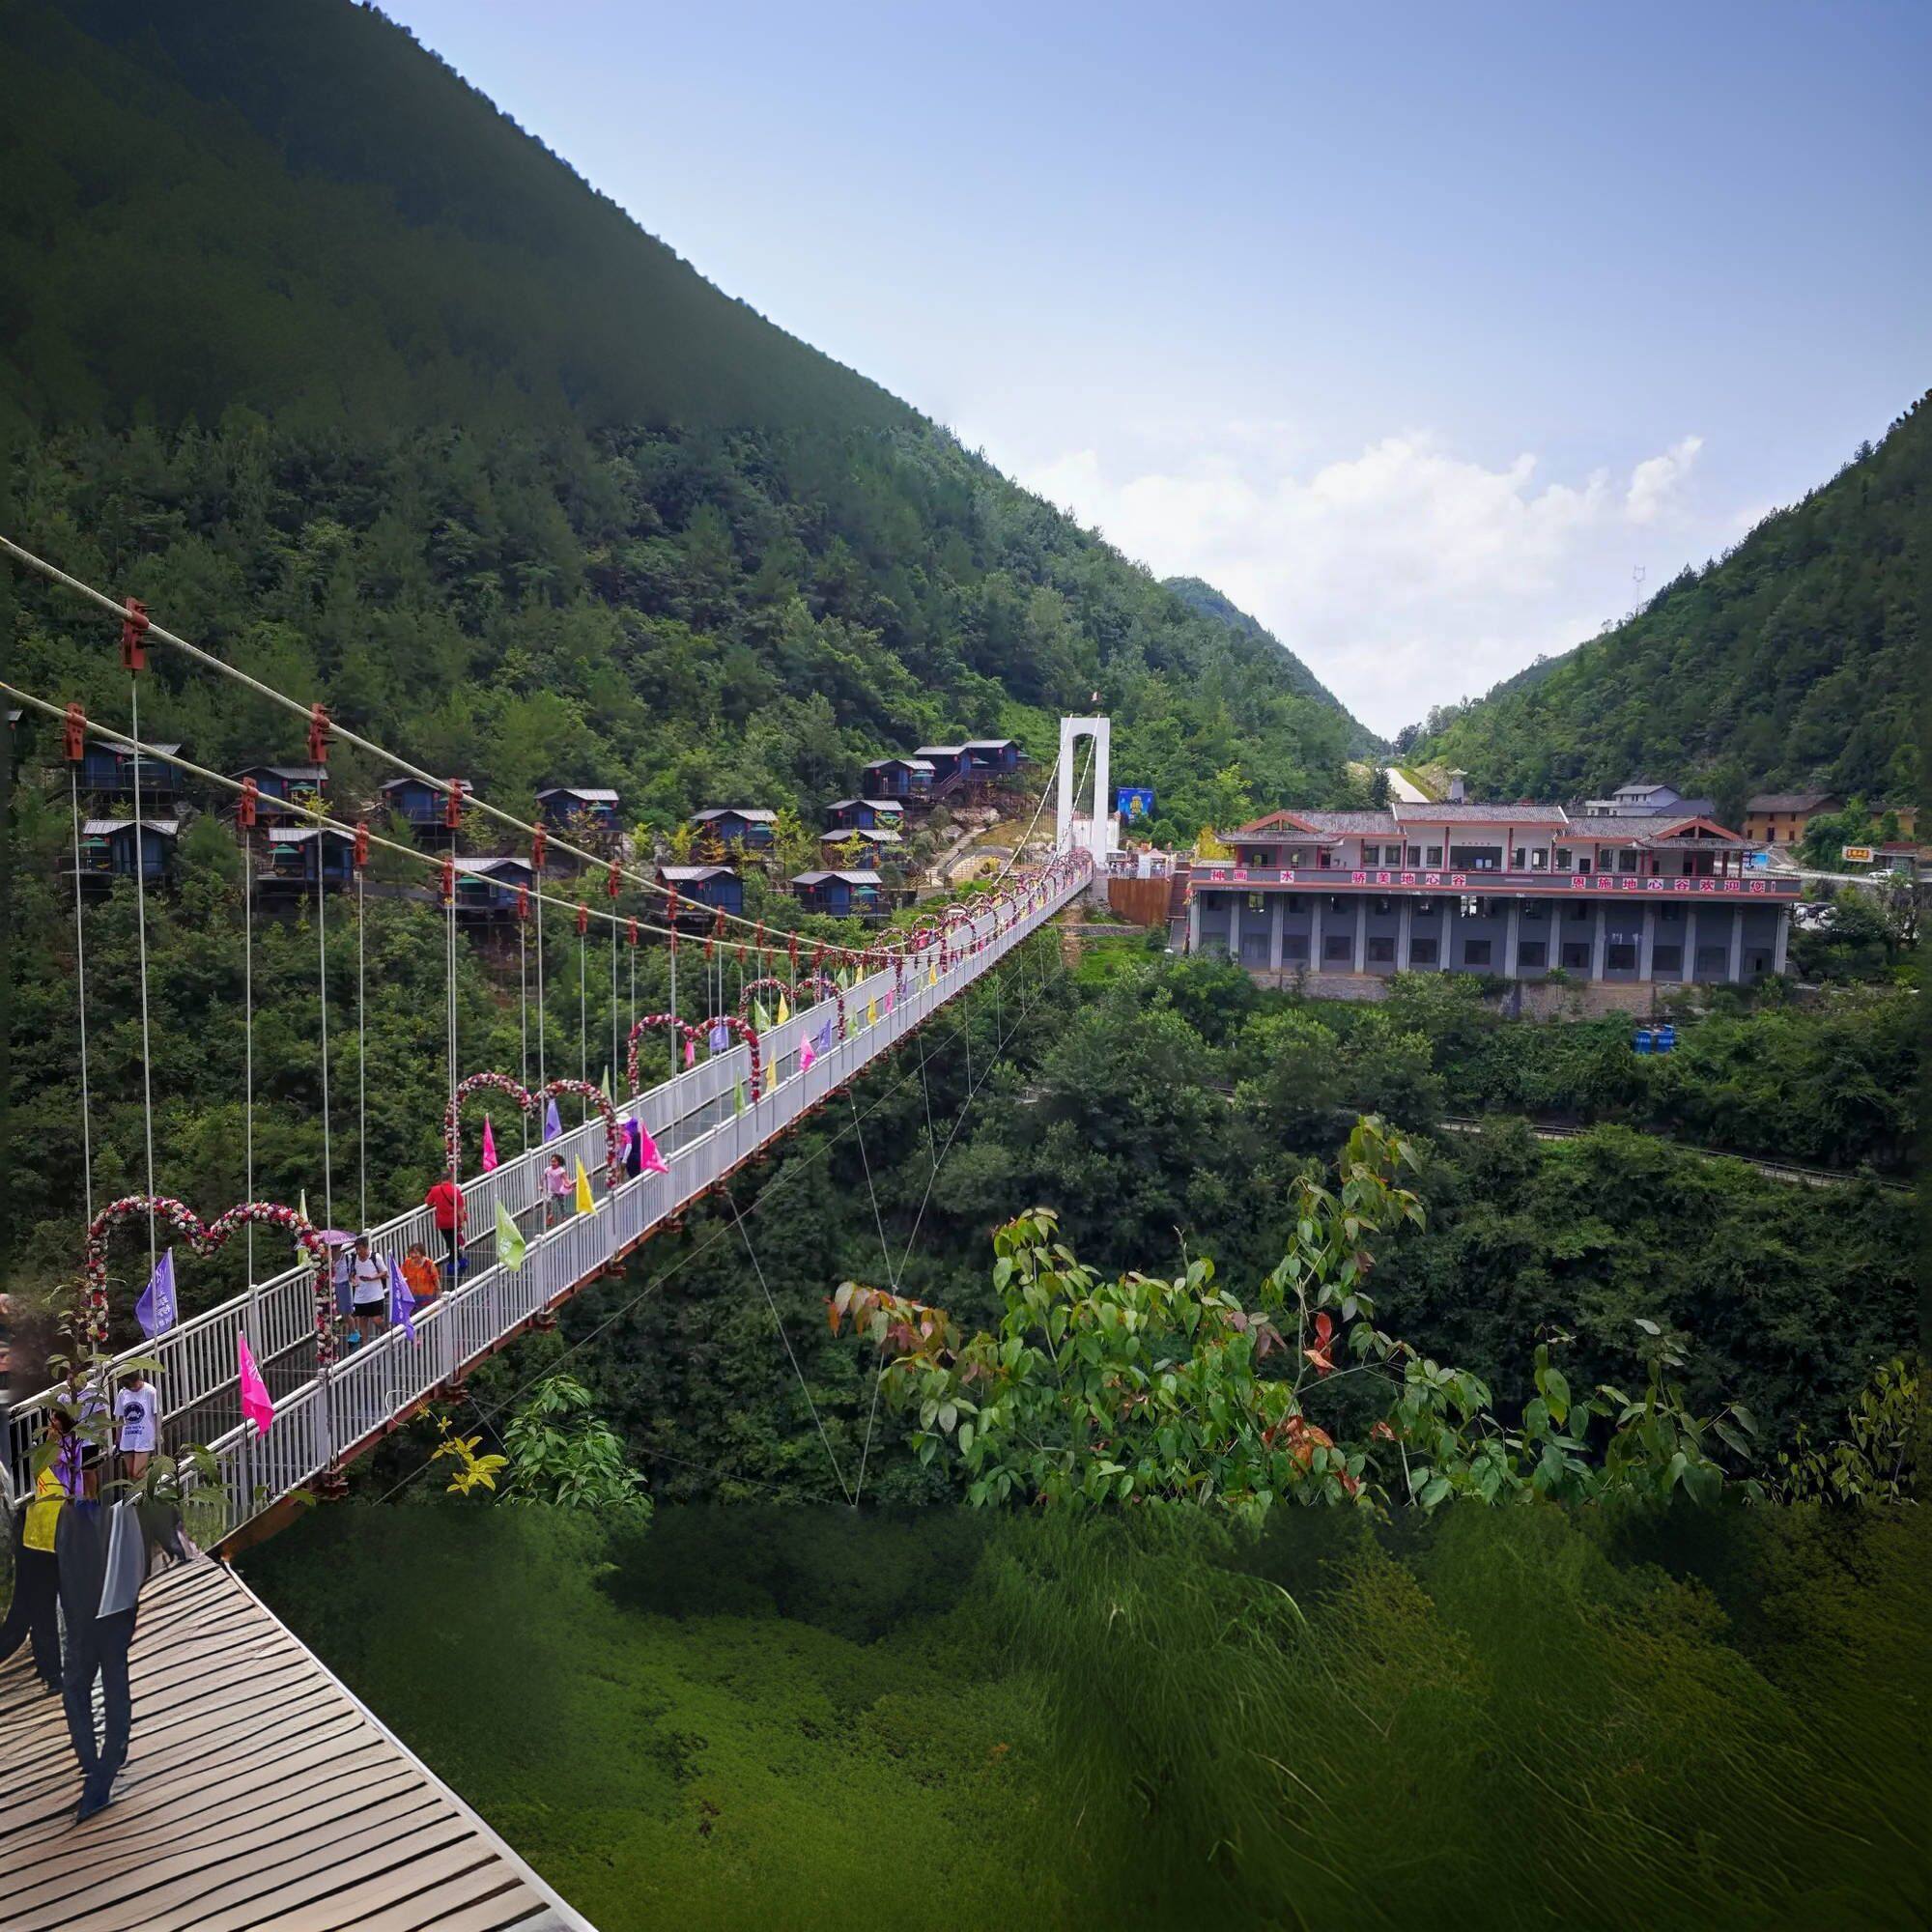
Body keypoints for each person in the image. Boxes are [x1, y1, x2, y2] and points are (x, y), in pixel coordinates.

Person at [0, 1415, 71, 1693]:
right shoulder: (38, 1460)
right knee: (37, 1615)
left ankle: (57, 1671)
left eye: (54, 1428)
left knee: (31, 1616)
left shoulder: (76, 1461)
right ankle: (53, 1675)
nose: (50, 1433)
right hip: (36, 1547)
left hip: (63, 1547)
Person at [114, 1367, 160, 1482]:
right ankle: (135, 1497)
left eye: (136, 1384)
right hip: (128, 1435)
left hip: (144, 1435)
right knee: (130, 1472)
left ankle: (147, 1492)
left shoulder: (150, 1391)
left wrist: (158, 1434)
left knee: (138, 1473)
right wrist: (118, 1437)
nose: (135, 1388)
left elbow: (157, 1414)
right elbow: (120, 1416)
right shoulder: (123, 1393)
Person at [346, 1235, 388, 1345]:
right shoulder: (354, 1258)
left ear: (366, 1247)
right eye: (357, 1249)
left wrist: (373, 1278)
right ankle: (365, 1344)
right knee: (362, 1320)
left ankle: (384, 1330)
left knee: (376, 1320)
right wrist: (353, 1280)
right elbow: (351, 1273)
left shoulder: (375, 1257)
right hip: (361, 1295)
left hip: (375, 1293)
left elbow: (384, 1272)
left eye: (360, 1248)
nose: (358, 1251)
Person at [425, 1173, 467, 1277]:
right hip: (454, 1222)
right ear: (450, 1179)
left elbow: (428, 1202)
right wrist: (462, 1221)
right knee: (454, 1244)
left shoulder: (435, 1190)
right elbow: (460, 1209)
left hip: (442, 1222)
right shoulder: (455, 1191)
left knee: (450, 1242)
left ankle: (460, 1260)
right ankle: (452, 1265)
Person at [401, 1238, 440, 1308]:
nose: (413, 1255)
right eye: (411, 1253)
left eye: (416, 1253)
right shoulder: (407, 1262)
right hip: (412, 1295)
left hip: (428, 1296)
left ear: (421, 1253)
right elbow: (400, 1276)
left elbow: (436, 1279)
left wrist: (439, 1291)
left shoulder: (429, 1263)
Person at [543, 1151, 573, 1227]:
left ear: (558, 1162)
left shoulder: (561, 1170)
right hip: (551, 1191)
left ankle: (564, 1216)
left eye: (554, 1162)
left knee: (561, 1204)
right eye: (551, 1161)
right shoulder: (547, 1170)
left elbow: (566, 1179)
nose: (552, 1163)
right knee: (548, 1200)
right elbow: (543, 1178)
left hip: (560, 1191)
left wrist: (569, 1184)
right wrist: (540, 1186)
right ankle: (550, 1215)